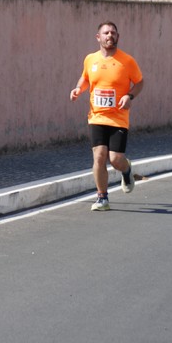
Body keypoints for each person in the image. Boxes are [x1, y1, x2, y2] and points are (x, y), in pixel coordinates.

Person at [70, 21, 143, 211]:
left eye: (113, 33)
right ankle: (102, 198)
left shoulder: (127, 61)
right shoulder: (90, 59)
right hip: (96, 117)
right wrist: (78, 89)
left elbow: (140, 82)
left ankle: (126, 170)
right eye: (106, 33)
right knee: (99, 157)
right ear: (98, 37)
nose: (109, 35)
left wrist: (129, 95)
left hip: (118, 118)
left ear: (118, 37)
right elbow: (85, 78)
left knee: (116, 159)